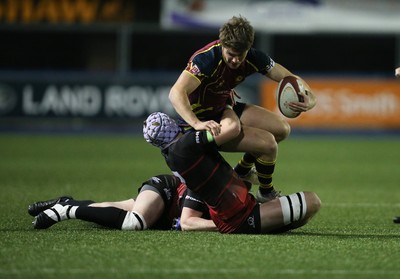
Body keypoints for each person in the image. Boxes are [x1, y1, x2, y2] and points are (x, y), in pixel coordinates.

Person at [168, 15, 317, 203]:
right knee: (268, 144)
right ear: (222, 45)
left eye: (241, 54)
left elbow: (290, 78)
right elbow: (176, 93)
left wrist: (311, 100)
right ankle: (266, 193)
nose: (236, 60)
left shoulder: (254, 58)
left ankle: (242, 171)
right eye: (231, 54)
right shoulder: (206, 59)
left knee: (282, 129)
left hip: (224, 109)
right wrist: (197, 124)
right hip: (204, 124)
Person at [143, 112, 321, 234]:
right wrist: (227, 105)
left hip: (237, 211)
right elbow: (232, 127)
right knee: (312, 201)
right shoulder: (186, 145)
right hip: (240, 218)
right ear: (170, 124)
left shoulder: (172, 155)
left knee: (302, 218)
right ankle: (254, 224)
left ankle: (260, 221)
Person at [29, 174, 217, 232]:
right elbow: (187, 223)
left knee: (105, 211)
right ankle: (65, 211)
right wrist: (224, 225)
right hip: (167, 193)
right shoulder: (212, 182)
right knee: (134, 222)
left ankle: (68, 202)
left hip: (168, 214)